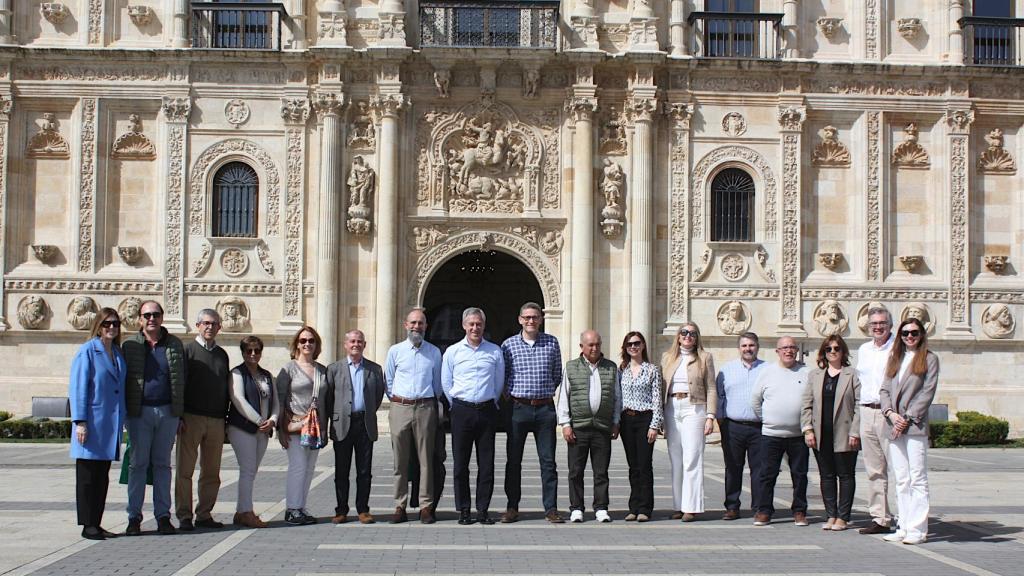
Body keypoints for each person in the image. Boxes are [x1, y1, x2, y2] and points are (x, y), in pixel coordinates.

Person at [123, 300, 186, 536]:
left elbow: (181, 380)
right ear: (140, 319)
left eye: (156, 314)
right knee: (138, 465)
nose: (152, 319)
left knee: (162, 465)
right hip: (140, 413)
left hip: (167, 412)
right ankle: (134, 517)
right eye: (147, 315)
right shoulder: (129, 345)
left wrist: (179, 414)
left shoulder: (174, 344)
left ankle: (162, 516)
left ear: (162, 317)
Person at [500, 302, 565, 524]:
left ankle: (551, 508)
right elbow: (504, 375)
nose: (531, 321)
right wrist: (511, 396)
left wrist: (544, 393)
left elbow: (557, 374)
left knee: (548, 461)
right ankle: (512, 507)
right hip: (518, 408)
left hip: (545, 408)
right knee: (513, 460)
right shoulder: (508, 346)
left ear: (541, 319)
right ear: (519, 319)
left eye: (535, 317)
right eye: (527, 317)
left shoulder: (551, 343)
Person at [442, 307, 506, 525]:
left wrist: (492, 400)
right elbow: (446, 382)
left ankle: (483, 509)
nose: (475, 328)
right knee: (460, 464)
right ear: (464, 325)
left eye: (478, 324)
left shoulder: (494, 351)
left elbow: (499, 382)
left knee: (486, 464)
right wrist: (457, 405)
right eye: (471, 324)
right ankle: (464, 510)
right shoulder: (452, 352)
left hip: (487, 410)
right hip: (461, 410)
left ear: (484, 325)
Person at [880, 317, 939, 545]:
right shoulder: (895, 358)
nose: (910, 337)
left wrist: (907, 417)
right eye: (905, 334)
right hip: (894, 424)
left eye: (914, 333)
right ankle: (903, 525)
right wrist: (890, 414)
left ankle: (918, 529)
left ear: (921, 334)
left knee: (918, 478)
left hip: (914, 426)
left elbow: (927, 391)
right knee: (901, 478)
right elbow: (884, 389)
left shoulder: (929, 359)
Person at [69, 308, 127, 540]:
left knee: (102, 476)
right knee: (87, 477)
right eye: (107, 324)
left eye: (115, 323)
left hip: (109, 424)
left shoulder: (118, 353)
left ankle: (97, 521)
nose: (111, 327)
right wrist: (80, 421)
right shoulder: (88, 351)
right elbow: (78, 387)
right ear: (98, 326)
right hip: (91, 423)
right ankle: (87, 524)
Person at [385, 308, 443, 524]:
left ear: (426, 326)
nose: (416, 326)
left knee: (426, 459)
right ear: (405, 325)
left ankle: (426, 506)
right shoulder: (395, 351)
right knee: (400, 460)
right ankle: (400, 504)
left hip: (426, 407)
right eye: (413, 322)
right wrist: (399, 400)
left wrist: (429, 401)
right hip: (400, 406)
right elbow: (389, 381)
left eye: (420, 323)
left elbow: (438, 383)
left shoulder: (434, 352)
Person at [557, 329, 621, 523]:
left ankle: (601, 507)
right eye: (590, 345)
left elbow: (617, 398)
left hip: (602, 427)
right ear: (581, 346)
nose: (594, 348)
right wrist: (566, 424)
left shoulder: (611, 367)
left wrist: (616, 421)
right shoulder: (571, 367)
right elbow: (563, 398)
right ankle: (576, 508)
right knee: (575, 471)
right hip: (579, 427)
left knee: (601, 471)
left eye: (597, 344)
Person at [176, 309, 230, 531]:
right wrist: (179, 415)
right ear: (197, 325)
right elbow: (179, 386)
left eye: (214, 324)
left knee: (211, 471)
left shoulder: (222, 355)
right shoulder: (188, 351)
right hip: (192, 417)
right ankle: (184, 515)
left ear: (219, 327)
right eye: (206, 323)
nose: (210, 327)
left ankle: (204, 513)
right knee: (185, 470)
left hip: (216, 419)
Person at [801, 336, 861, 531]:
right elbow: (807, 404)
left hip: (845, 433)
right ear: (823, 353)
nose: (833, 352)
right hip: (821, 433)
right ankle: (831, 515)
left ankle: (843, 517)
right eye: (828, 349)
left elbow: (860, 405)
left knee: (845, 475)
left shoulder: (852, 375)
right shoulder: (815, 375)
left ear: (843, 352)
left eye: (836, 348)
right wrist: (808, 429)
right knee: (826, 476)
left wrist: (856, 431)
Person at [326, 330, 385, 525]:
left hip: (364, 423)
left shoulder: (375, 369)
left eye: (359, 341)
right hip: (342, 423)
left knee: (364, 471)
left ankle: (363, 509)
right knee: (341, 471)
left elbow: (377, 396)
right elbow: (329, 398)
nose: (356, 345)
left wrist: (366, 412)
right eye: (352, 341)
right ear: (345, 344)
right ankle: (341, 510)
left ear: (364, 345)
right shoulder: (334, 369)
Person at [751, 336, 811, 527]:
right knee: (767, 475)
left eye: (792, 347)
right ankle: (764, 511)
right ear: (777, 351)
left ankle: (799, 511)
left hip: (798, 434)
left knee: (800, 475)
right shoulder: (767, 372)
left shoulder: (807, 372)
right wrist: (769, 419)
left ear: (797, 351)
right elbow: (755, 401)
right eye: (784, 348)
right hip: (771, 434)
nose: (789, 351)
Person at [660, 322, 717, 521]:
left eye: (692, 333)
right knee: (676, 459)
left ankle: (691, 507)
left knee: (692, 457)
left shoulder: (705, 358)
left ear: (697, 337)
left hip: (695, 407)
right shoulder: (667, 357)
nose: (688, 336)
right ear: (678, 336)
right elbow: (660, 387)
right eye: (684, 332)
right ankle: (678, 505)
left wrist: (710, 416)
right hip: (672, 407)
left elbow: (711, 388)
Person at [277, 326, 330, 526]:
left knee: (309, 468)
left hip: (315, 427)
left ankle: (301, 507)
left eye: (311, 341)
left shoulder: (322, 370)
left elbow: (326, 401)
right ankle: (292, 508)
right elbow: (280, 399)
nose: (307, 344)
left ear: (316, 344)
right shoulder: (288, 368)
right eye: (303, 341)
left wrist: (325, 429)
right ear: (296, 344)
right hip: (295, 425)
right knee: (297, 466)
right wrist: (280, 429)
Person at [226, 335, 277, 529]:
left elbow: (276, 402)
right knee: (247, 469)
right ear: (243, 353)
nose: (253, 354)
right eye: (249, 351)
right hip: (242, 428)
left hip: (263, 430)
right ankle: (246, 512)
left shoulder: (267, 375)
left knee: (252, 471)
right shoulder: (237, 374)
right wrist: (259, 421)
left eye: (257, 350)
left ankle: (241, 511)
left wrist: (272, 420)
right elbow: (238, 399)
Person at [716, 332, 767, 520]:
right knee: (732, 468)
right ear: (739, 348)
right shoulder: (726, 370)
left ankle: (760, 508)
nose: (748, 349)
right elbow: (720, 396)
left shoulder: (767, 369)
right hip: (733, 426)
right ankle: (732, 506)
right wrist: (720, 421)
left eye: (751, 345)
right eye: (744, 346)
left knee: (760, 469)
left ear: (757, 347)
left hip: (759, 427)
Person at [854, 306, 896, 535]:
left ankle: (907, 517)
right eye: (874, 324)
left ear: (890, 325)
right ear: (868, 327)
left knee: (898, 467)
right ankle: (881, 517)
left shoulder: (897, 348)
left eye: (882, 323)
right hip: (867, 410)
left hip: (888, 413)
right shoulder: (864, 349)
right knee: (874, 469)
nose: (878, 327)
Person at [617, 331, 663, 522]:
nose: (633, 347)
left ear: (643, 345)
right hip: (627, 420)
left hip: (645, 419)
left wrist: (655, 425)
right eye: (629, 345)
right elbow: (618, 397)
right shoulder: (622, 370)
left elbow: (657, 399)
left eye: (636, 343)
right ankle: (633, 507)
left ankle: (645, 508)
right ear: (625, 348)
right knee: (633, 466)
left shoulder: (653, 370)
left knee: (644, 465)